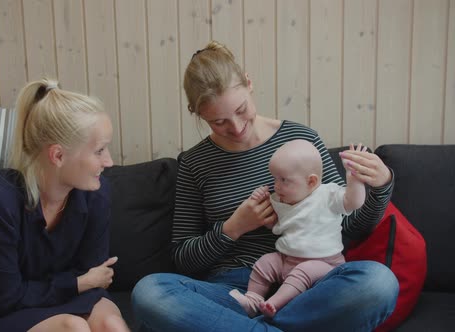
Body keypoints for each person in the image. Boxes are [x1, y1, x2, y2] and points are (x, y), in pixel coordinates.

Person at [131, 41, 398, 331]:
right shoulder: (195, 163)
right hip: (235, 291)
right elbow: (184, 259)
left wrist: (381, 186)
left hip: (311, 288)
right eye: (218, 122)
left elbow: (349, 226)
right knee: (150, 292)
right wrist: (233, 228)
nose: (236, 128)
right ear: (197, 113)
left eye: (241, 109)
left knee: (379, 282)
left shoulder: (301, 139)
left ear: (249, 83)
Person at [0, 78, 129, 332]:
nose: (110, 162)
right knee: (73, 328)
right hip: (3, 314)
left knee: (111, 325)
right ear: (58, 155)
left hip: (58, 297)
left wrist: (82, 282)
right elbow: (5, 298)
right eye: (100, 150)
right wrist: (79, 282)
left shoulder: (97, 194)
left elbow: (94, 275)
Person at [229, 140, 366, 318]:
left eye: (284, 180)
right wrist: (259, 200)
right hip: (286, 260)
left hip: (324, 264)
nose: (276, 186)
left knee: (303, 271)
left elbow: (355, 202)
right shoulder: (280, 200)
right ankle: (252, 300)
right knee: (265, 262)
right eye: (275, 179)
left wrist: (354, 179)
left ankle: (273, 304)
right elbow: (274, 225)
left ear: (311, 181)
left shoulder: (328, 195)